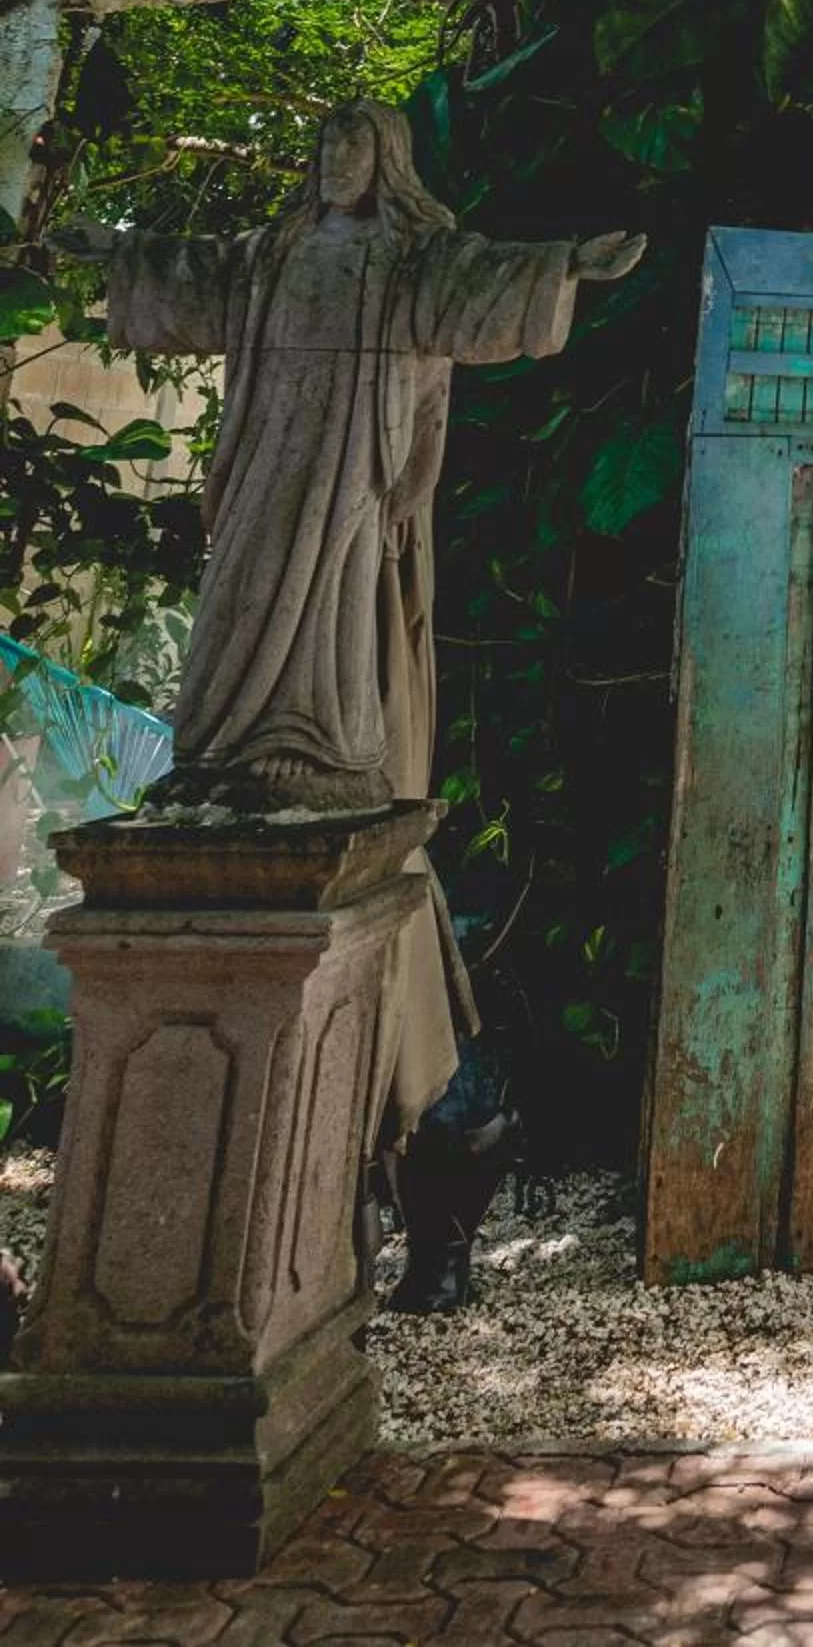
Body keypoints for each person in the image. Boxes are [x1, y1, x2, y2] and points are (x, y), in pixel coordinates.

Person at [64, 101, 642, 1149]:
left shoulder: (403, 256)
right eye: (325, 145)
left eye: (354, 147)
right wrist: (112, 253)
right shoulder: (270, 254)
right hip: (267, 459)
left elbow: (478, 287)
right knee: (243, 600)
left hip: (345, 476)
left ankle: (318, 748)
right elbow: (186, 276)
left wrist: (569, 265)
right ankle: (227, 753)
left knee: (331, 608)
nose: (336, 161)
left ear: (386, 164)